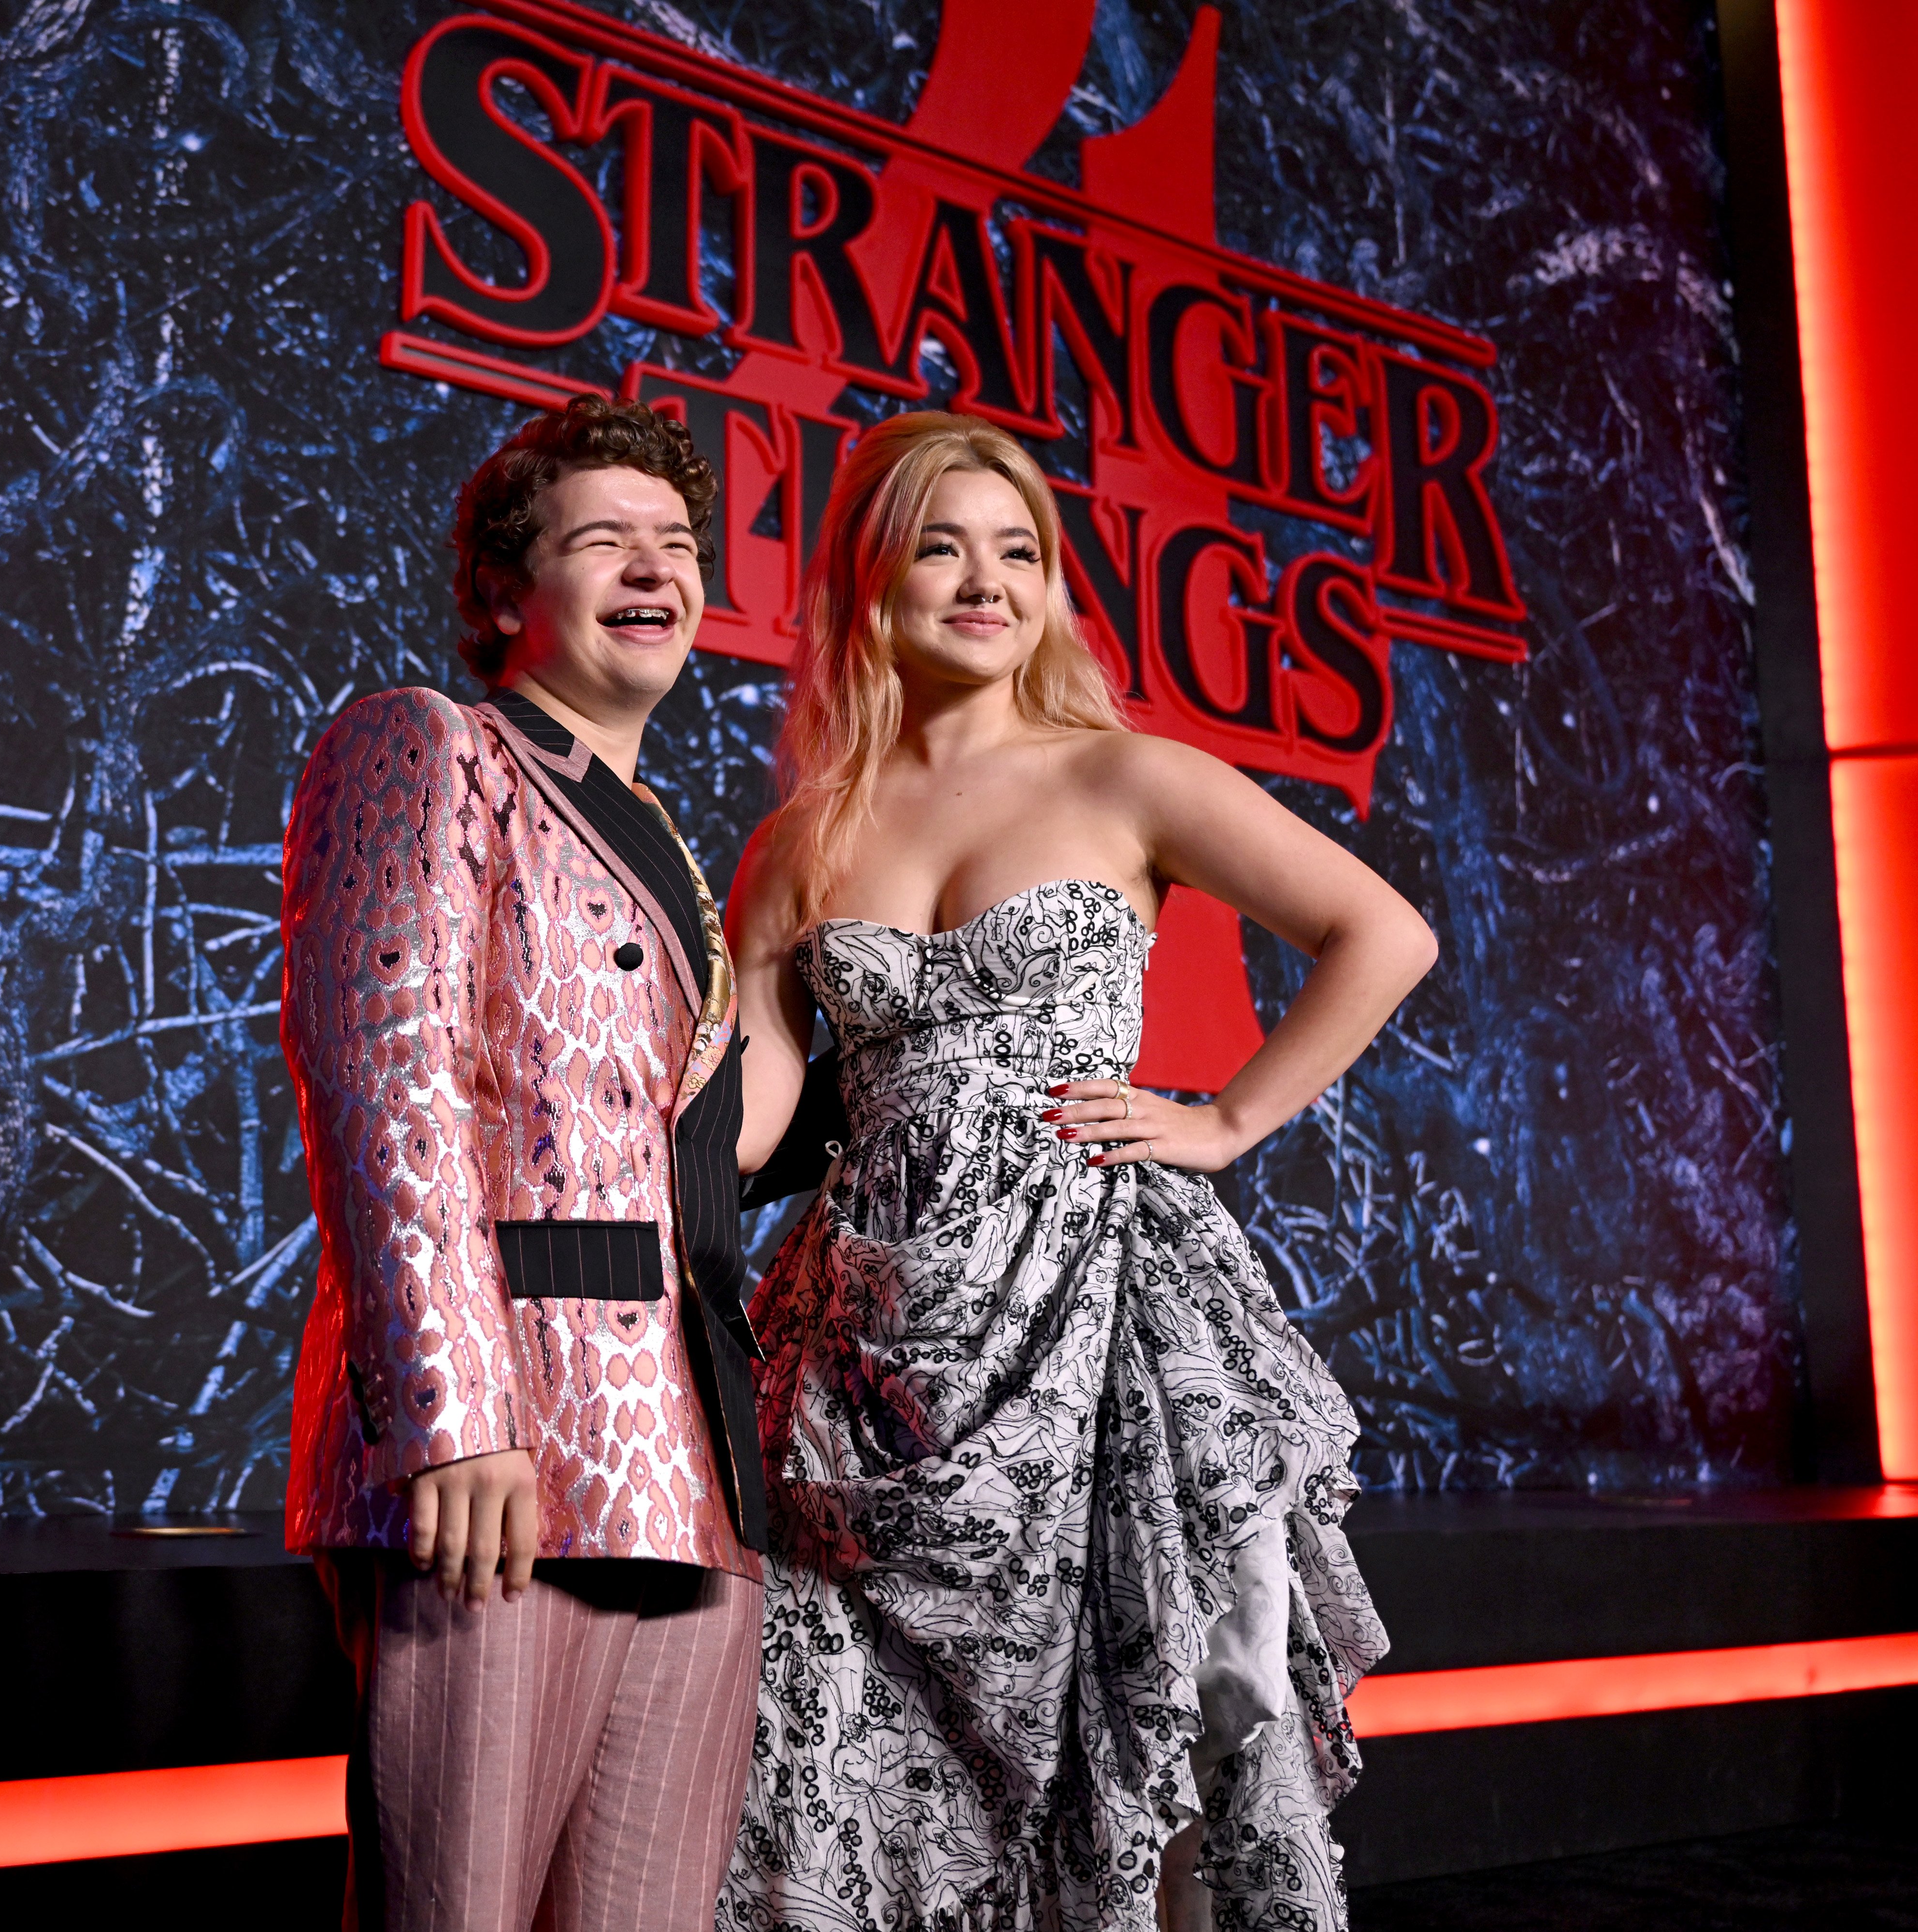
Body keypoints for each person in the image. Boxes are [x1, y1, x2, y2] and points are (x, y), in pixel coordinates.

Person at [716, 414, 1434, 1932]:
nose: (984, 581)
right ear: (868, 581)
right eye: (941, 546)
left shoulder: (1129, 778)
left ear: (1052, 589)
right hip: (868, 1348)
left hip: (1093, 1311)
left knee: (1147, 1704)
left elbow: (1386, 934)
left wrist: (1229, 1118)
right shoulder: (802, 836)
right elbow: (759, 1109)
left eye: (1019, 552)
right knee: (849, 1754)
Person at [280, 395, 767, 1932]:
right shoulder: (428, 744)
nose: (656, 568)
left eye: (679, 544)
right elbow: (384, 1069)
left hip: (698, 1471)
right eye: (605, 538)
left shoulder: (680, 845)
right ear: (506, 592)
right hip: (505, 1460)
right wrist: (446, 1413)